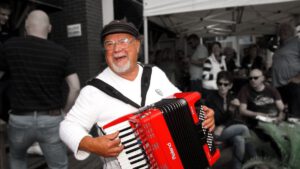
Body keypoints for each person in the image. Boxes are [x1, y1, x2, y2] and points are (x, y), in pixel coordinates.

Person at [59, 20, 215, 169]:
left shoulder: (155, 73)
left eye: (123, 41)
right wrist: (90, 143)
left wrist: (204, 115)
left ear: (137, 45)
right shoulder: (94, 91)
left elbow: (183, 102)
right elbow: (67, 126)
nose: (117, 48)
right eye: (109, 44)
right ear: (105, 52)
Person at [0, 10, 81, 169]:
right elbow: (75, 87)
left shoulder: (9, 46)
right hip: (51, 119)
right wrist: (64, 111)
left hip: (19, 119)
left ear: (26, 27)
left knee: (17, 159)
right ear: (49, 28)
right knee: (58, 166)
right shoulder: (61, 52)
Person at [206, 71, 251, 169]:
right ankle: (254, 160)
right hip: (215, 132)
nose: (222, 86)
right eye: (220, 83)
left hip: (226, 130)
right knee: (243, 128)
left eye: (225, 84)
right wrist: (230, 110)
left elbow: (234, 120)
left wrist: (224, 125)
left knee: (239, 140)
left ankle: (237, 167)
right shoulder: (210, 98)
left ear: (230, 86)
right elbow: (216, 119)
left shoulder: (232, 97)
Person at [272, 23, 300, 119]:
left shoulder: (297, 43)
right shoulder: (281, 45)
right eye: (281, 30)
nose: (282, 32)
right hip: (279, 85)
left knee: (294, 116)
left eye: (286, 30)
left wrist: (298, 78)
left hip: (293, 85)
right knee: (283, 114)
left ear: (293, 32)